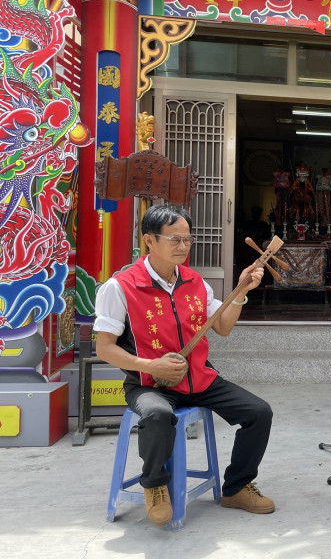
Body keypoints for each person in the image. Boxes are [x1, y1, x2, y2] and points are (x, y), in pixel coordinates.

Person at [94, 204, 275, 526]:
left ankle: (235, 488)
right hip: (150, 383)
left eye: (187, 240)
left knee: (258, 412)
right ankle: (154, 484)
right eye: (174, 240)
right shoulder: (120, 287)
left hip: (199, 379)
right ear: (149, 240)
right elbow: (105, 348)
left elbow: (223, 327)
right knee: (158, 414)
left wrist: (242, 291)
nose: (183, 247)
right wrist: (149, 365)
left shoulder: (195, 283)